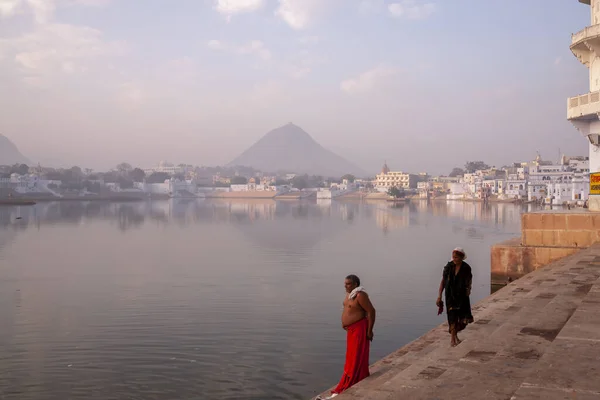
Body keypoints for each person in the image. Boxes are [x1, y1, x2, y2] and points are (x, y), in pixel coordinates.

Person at [319, 275, 376, 399]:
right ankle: (350, 378)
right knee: (350, 356)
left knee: (356, 356)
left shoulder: (360, 295)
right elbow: (348, 310)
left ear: (355, 284)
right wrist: (345, 323)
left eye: (348, 284)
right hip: (351, 330)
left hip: (359, 329)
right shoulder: (350, 295)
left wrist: (369, 331)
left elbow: (371, 311)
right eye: (345, 284)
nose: (345, 286)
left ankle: (355, 379)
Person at [436, 248, 473, 347]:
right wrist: (439, 296)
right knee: (452, 316)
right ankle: (452, 339)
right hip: (450, 296)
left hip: (462, 297)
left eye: (456, 257)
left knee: (463, 320)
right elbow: (443, 282)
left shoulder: (466, 268)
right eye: (453, 257)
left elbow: (469, 280)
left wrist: (469, 289)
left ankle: (455, 335)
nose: (454, 259)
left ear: (461, 257)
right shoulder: (449, 267)